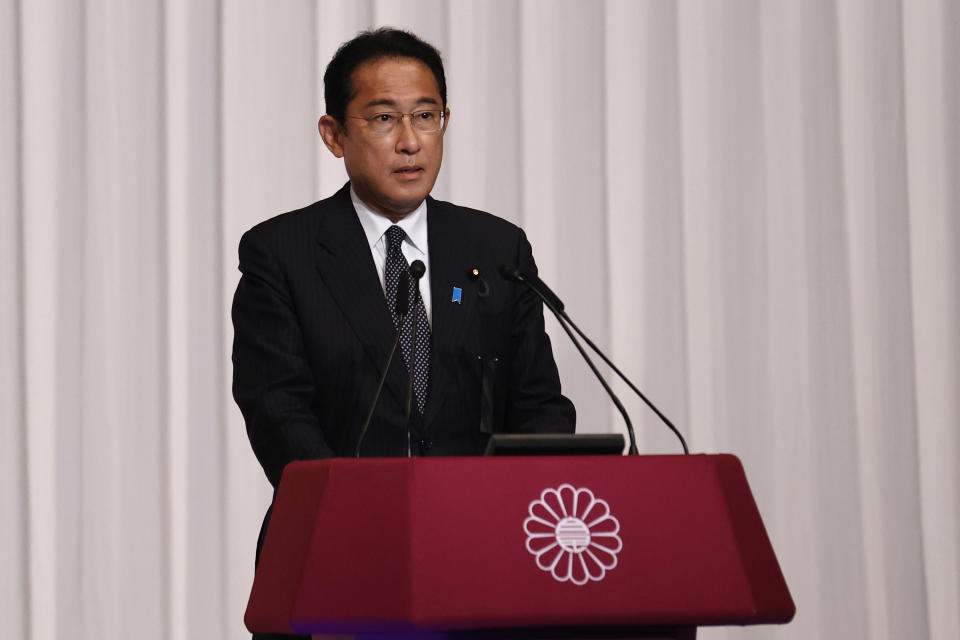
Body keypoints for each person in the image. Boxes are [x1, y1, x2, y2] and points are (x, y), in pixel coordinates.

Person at [231, 27, 575, 639]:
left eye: (427, 116)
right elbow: (277, 409)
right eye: (383, 118)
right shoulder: (281, 253)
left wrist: (515, 514)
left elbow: (540, 406)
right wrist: (365, 520)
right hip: (334, 561)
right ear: (334, 135)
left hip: (483, 562)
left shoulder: (495, 249)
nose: (411, 141)